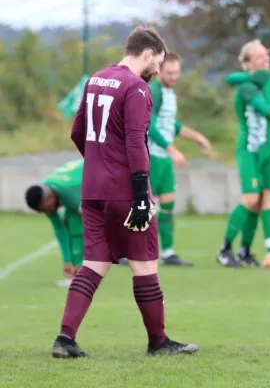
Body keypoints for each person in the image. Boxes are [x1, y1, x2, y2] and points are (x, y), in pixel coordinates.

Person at [51, 26, 196, 358]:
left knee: (93, 263)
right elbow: (135, 143)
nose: (157, 72)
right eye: (157, 63)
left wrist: (100, 163)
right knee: (145, 266)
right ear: (147, 54)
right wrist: (141, 194)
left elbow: (77, 132)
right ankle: (158, 341)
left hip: (92, 190)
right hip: (125, 193)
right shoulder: (137, 89)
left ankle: (65, 339)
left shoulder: (96, 79)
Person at [217, 40, 270, 268]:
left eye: (266, 56)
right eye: (258, 57)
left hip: (262, 150)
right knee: (251, 198)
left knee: (260, 202)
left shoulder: (264, 80)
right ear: (247, 63)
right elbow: (266, 110)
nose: (265, 59)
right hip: (248, 149)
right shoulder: (248, 87)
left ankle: (245, 250)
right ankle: (225, 248)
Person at [147, 52, 212, 267]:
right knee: (143, 206)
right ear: (159, 71)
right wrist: (172, 149)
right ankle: (129, 250)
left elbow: (171, 125)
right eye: (169, 72)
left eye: (176, 72)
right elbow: (150, 124)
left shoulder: (169, 92)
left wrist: (197, 138)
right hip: (150, 156)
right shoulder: (154, 91)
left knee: (167, 204)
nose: (174, 76)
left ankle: (167, 253)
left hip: (163, 158)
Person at [25, 159, 84, 288]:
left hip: (104, 173)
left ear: (50, 196)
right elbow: (60, 229)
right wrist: (67, 261)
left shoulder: (71, 195)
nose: (47, 212)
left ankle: (81, 273)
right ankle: (77, 272)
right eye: (42, 211)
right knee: (69, 221)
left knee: (75, 222)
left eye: (46, 208)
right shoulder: (45, 192)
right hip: (81, 179)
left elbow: (92, 225)